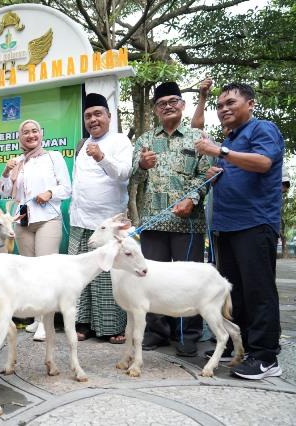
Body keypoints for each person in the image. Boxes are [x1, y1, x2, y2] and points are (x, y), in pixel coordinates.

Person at [195, 83, 284, 380]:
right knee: (235, 293)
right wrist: (217, 173)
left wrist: (220, 151)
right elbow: (234, 169)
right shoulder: (231, 139)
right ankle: (242, 347)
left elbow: (263, 162)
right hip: (226, 226)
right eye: (219, 106)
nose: (223, 109)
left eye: (230, 102)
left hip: (255, 223)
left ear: (251, 104)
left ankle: (266, 356)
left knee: (258, 290)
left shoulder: (262, 129)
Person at [131, 81, 212, 357]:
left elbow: (208, 175)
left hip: (188, 223)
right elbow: (134, 178)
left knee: (188, 280)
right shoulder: (143, 141)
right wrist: (142, 166)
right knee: (151, 279)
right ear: (155, 110)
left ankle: (187, 334)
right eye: (161, 103)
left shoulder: (197, 138)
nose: (167, 106)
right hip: (153, 222)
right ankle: (156, 331)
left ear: (182, 105)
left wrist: (193, 199)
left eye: (173, 101)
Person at [0, 119, 71, 341]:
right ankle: (37, 320)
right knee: (29, 274)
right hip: (22, 222)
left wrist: (49, 192)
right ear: (20, 138)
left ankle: (46, 323)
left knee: (46, 272)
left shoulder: (53, 157)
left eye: (34, 131)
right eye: (25, 133)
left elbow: (66, 187)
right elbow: (4, 192)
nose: (30, 135)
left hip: (48, 218)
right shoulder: (17, 161)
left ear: (41, 134)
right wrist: (6, 171)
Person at [69, 93, 132, 344]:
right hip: (80, 221)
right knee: (81, 274)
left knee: (107, 275)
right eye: (88, 116)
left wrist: (102, 157)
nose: (93, 119)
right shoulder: (82, 144)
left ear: (109, 116)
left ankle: (113, 327)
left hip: (108, 223)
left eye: (98, 114)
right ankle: (83, 324)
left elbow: (124, 173)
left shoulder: (120, 141)